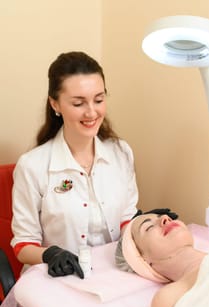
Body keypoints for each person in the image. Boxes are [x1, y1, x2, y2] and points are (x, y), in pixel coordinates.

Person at [11, 51, 138, 279]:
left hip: (113, 275)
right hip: (56, 280)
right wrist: (50, 254)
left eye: (99, 100)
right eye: (79, 103)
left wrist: (145, 225)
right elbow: (23, 245)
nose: (92, 112)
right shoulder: (32, 166)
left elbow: (126, 219)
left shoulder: (121, 152)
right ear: (55, 104)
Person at [115, 209, 208, 307]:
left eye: (163, 216)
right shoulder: (170, 300)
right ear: (142, 261)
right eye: (148, 227)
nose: (165, 217)